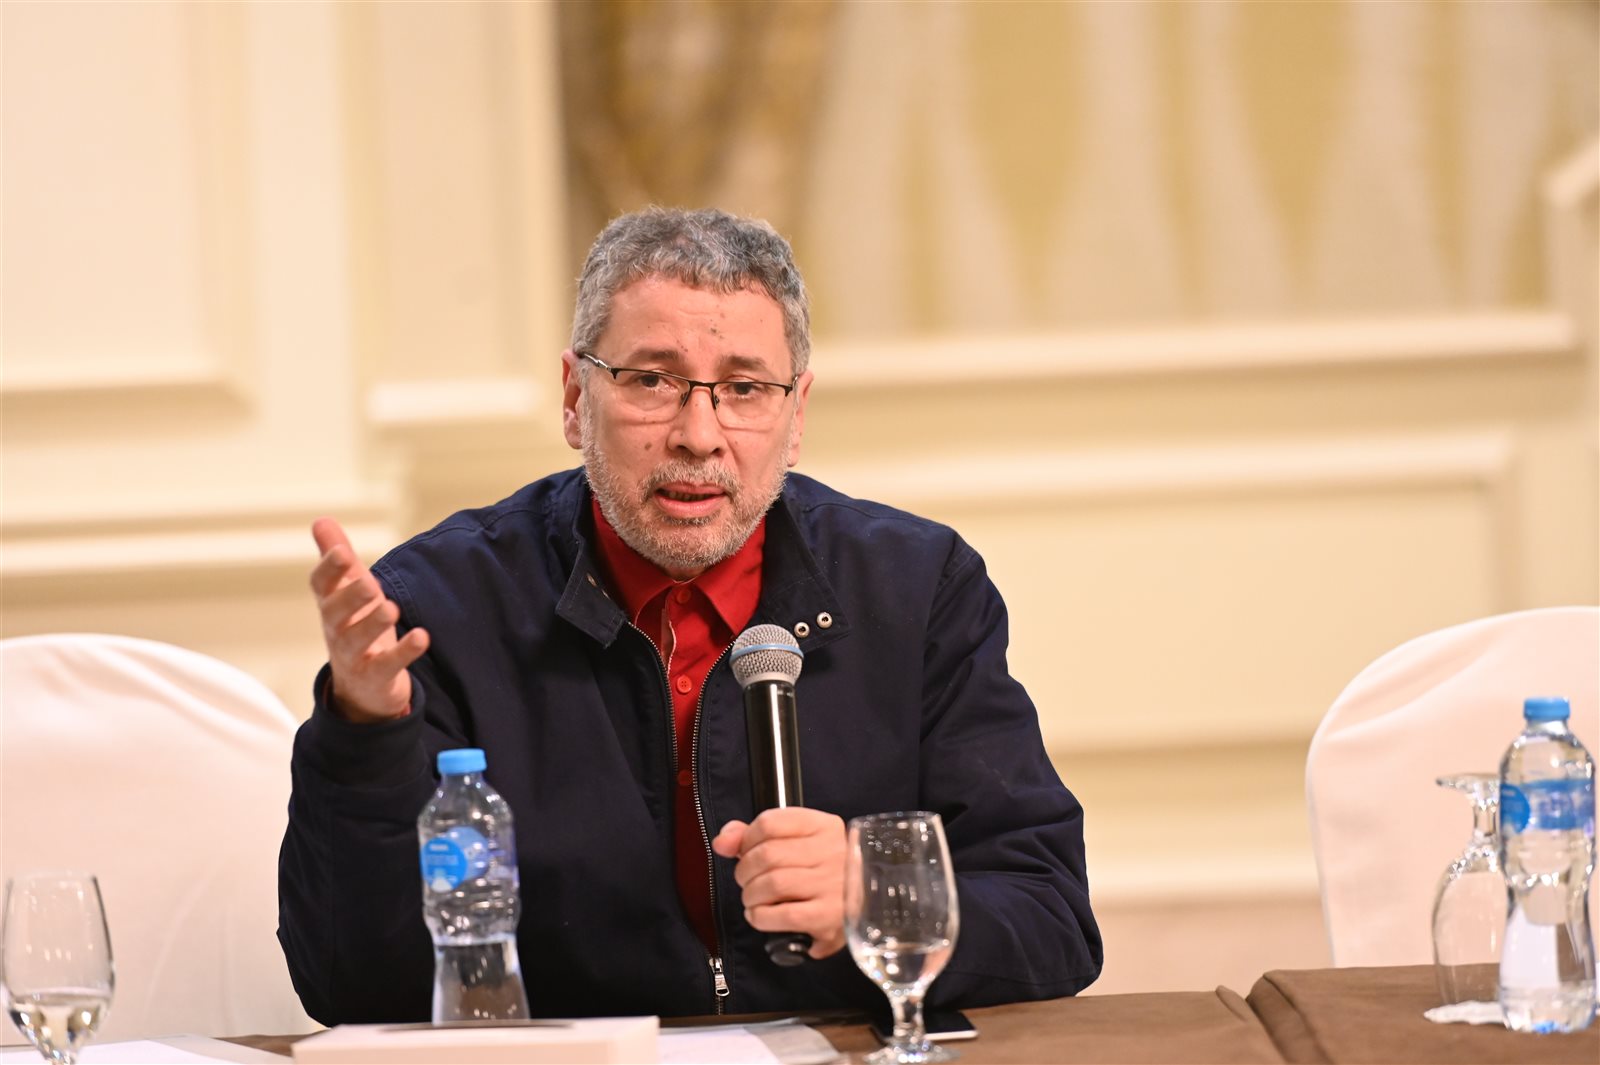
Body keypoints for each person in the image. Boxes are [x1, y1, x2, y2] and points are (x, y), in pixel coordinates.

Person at [278, 207, 1102, 1023]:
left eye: (744, 388)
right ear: (574, 397)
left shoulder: (916, 588)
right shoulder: (438, 607)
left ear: (796, 415)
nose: (699, 435)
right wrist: (365, 738)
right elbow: (349, 985)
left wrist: (879, 895)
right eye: (651, 380)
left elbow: (1052, 916)